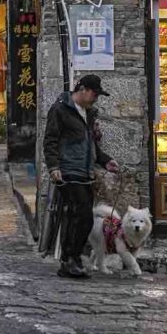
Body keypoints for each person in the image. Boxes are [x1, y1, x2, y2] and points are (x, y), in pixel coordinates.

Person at [43, 74, 118, 278]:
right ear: (83, 89)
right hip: (68, 170)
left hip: (85, 171)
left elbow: (91, 144)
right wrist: (53, 166)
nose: (96, 98)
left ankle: (69, 260)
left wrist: (104, 161)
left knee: (80, 217)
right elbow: (50, 140)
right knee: (82, 215)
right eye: (94, 93)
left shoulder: (89, 113)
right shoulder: (60, 110)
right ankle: (71, 259)